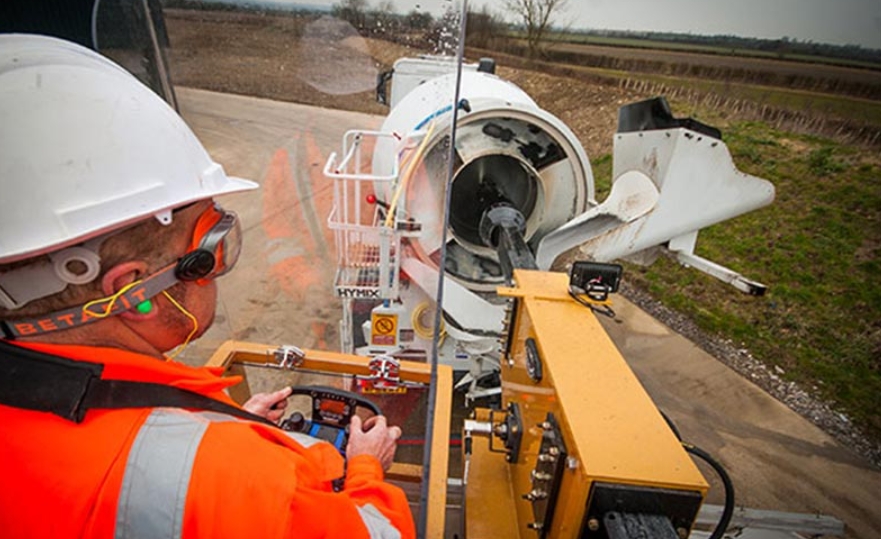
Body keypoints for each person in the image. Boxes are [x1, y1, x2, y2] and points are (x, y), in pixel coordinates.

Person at [0, 34, 414, 539]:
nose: (222, 264)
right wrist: (368, 469)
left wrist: (209, 424)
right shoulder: (242, 483)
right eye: (215, 242)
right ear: (133, 291)